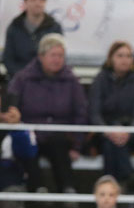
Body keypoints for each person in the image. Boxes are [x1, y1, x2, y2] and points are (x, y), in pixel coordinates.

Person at [8, 33, 87, 194]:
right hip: (30, 133)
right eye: (53, 55)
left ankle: (67, 189)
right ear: (41, 56)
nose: (57, 59)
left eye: (60, 55)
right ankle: (37, 188)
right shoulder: (22, 79)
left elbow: (81, 113)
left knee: (58, 143)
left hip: (60, 135)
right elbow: (11, 108)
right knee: (27, 143)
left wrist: (77, 145)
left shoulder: (72, 80)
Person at [89, 41, 134, 187]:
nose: (124, 59)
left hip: (131, 133)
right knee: (110, 143)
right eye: (120, 55)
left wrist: (128, 132)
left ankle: (111, 186)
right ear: (111, 58)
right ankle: (125, 180)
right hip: (104, 132)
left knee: (115, 144)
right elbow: (94, 114)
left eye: (128, 56)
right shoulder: (100, 79)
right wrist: (108, 131)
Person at [3, 0, 63, 80]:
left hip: (47, 81)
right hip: (19, 82)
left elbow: (59, 58)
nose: (38, 3)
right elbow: (8, 59)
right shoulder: (14, 27)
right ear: (25, 2)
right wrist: (22, 77)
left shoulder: (54, 28)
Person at [0, 99, 33, 208]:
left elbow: (28, 153)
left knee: (11, 196)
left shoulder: (19, 126)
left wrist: (16, 127)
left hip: (10, 183)